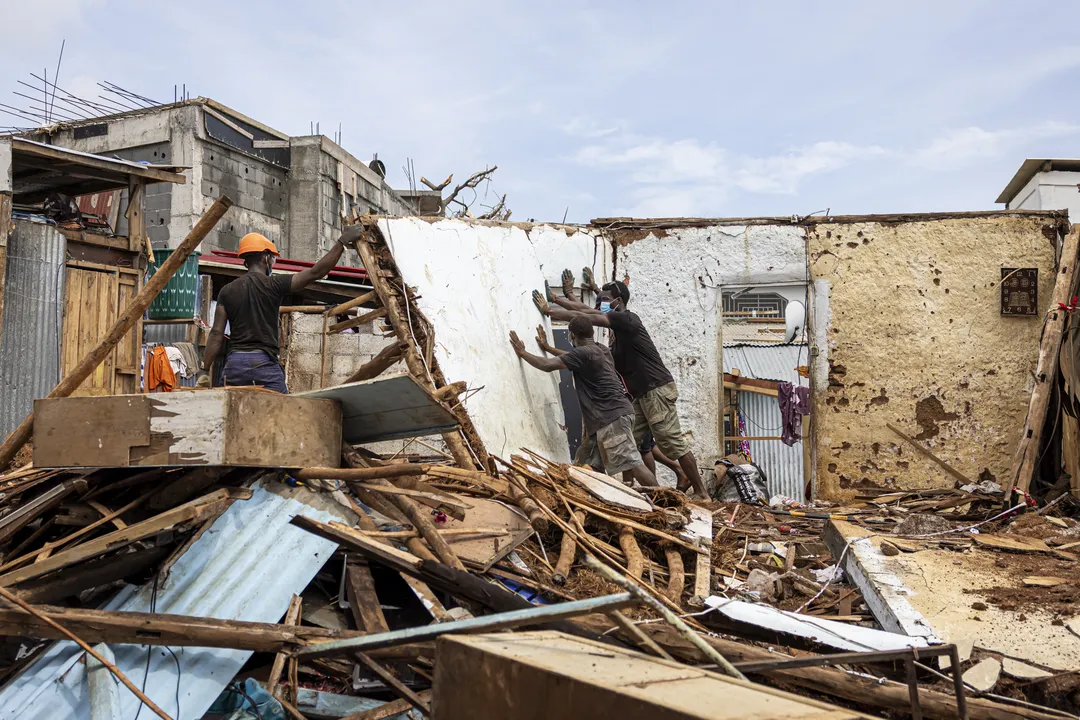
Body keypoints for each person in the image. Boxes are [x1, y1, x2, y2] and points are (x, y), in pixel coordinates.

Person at [534, 277, 708, 497]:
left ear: (618, 301)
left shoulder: (626, 319)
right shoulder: (612, 339)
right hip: (639, 396)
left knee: (670, 443)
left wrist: (551, 311)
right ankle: (640, 491)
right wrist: (560, 300)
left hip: (655, 388)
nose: (600, 305)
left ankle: (702, 492)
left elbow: (586, 315)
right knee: (630, 445)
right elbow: (586, 315)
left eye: (604, 300)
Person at [196, 226, 363, 392]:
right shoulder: (274, 285)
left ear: (245, 260)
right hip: (263, 364)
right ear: (266, 258)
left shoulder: (227, 291)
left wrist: (205, 369)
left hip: (235, 364)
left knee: (231, 412)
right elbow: (316, 273)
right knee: (284, 411)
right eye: (272, 258)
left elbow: (217, 334)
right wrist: (341, 243)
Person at [510, 316, 657, 488]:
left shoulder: (584, 353)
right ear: (592, 333)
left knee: (632, 463)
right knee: (584, 461)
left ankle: (666, 503)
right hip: (611, 418)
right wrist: (548, 348)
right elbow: (572, 357)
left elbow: (548, 365)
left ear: (571, 335)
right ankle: (586, 496)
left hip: (612, 419)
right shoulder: (601, 349)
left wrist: (522, 353)